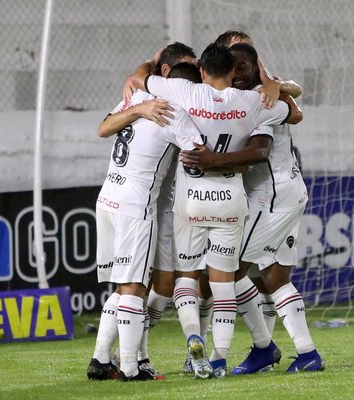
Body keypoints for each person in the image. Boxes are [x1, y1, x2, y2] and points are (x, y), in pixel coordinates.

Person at [128, 42, 302, 378]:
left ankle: (195, 338)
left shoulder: (186, 93)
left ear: (203, 72)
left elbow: (141, 80)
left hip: (192, 200)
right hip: (231, 200)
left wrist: (149, 62)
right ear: (234, 72)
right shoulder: (253, 102)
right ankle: (220, 358)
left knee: (188, 277)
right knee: (224, 283)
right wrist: (274, 85)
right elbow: (291, 112)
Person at [180, 40, 325, 374]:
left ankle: (237, 352)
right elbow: (295, 106)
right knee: (274, 278)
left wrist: (213, 161)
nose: (237, 74)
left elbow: (260, 150)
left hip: (269, 198)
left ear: (255, 67)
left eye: (243, 67)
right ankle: (306, 354)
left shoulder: (258, 99)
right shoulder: (255, 95)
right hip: (286, 194)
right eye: (234, 67)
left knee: (223, 273)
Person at [87, 59, 203, 382]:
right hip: (136, 206)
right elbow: (198, 153)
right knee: (136, 288)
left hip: (108, 198)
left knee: (125, 285)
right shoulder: (173, 111)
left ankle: (100, 361)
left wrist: (138, 100)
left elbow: (102, 127)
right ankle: (130, 368)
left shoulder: (137, 98)